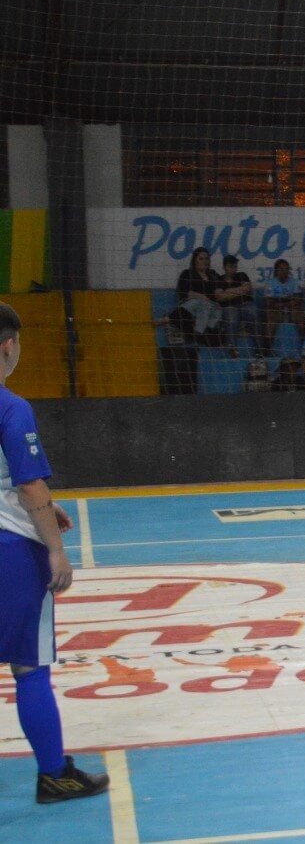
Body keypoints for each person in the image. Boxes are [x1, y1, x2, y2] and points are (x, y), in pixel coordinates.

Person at [0, 302, 111, 804]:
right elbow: (28, 485)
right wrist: (56, 550)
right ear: (9, 345)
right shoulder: (11, 407)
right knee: (30, 666)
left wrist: (43, 504)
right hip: (10, 550)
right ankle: (54, 774)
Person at [216, 254, 264, 357]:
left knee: (253, 312)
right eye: (230, 266)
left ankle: (260, 350)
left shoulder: (242, 275)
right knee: (231, 317)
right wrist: (239, 290)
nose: (233, 269)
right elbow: (220, 297)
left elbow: (247, 289)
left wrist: (227, 291)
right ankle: (232, 351)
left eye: (235, 266)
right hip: (229, 307)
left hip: (245, 304)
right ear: (224, 267)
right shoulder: (219, 279)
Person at [264, 258, 305, 353]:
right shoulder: (270, 283)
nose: (285, 271)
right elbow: (269, 303)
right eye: (282, 269)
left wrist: (283, 303)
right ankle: (268, 350)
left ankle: (304, 347)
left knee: (300, 320)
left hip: (291, 308)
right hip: (276, 309)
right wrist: (286, 302)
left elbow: (297, 300)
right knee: (271, 321)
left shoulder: (294, 282)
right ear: (276, 271)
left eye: (286, 269)